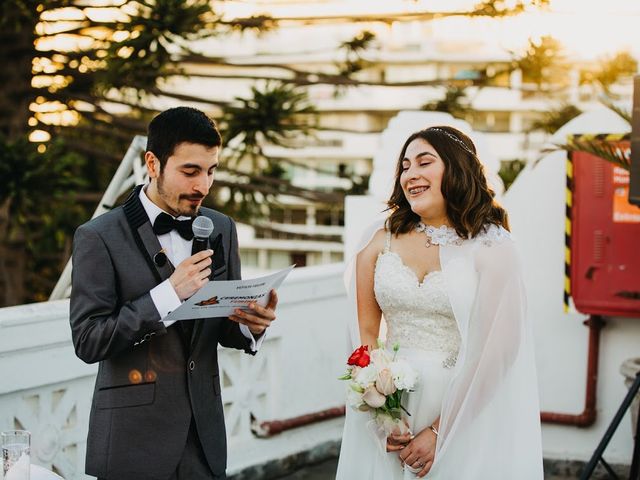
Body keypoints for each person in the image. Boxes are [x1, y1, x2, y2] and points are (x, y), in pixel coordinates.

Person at [69, 107, 278, 480]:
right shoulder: (98, 236)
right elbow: (88, 341)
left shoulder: (220, 227)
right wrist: (167, 294)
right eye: (190, 171)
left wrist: (251, 325)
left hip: (204, 441)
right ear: (153, 163)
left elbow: (220, 328)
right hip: (132, 445)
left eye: (211, 171)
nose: (203, 186)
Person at [336, 126, 543, 479]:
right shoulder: (378, 239)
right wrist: (381, 411)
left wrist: (440, 430)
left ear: (457, 168)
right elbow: (366, 333)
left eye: (423, 162)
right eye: (404, 166)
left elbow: (500, 350)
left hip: (462, 405)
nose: (410, 174)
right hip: (391, 407)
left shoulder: (493, 247)